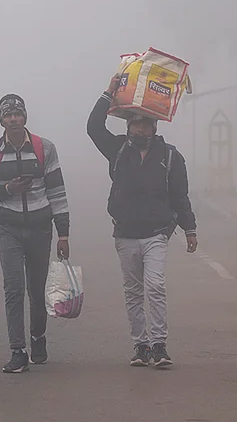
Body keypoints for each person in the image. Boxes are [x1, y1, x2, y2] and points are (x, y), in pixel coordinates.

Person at [87, 74, 198, 368]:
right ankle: (141, 345)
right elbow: (93, 128)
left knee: (156, 286)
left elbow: (180, 195)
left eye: (145, 124)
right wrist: (108, 92)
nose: (139, 128)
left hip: (156, 234)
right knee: (133, 291)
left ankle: (159, 344)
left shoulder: (171, 157)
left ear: (154, 127)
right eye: (135, 123)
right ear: (128, 126)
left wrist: (190, 228)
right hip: (124, 234)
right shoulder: (118, 149)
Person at [0, 94, 71, 373]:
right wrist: (7, 190)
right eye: (8, 115)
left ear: (25, 117)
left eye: (18, 114)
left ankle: (38, 338)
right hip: (9, 229)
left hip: (41, 228)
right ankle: (17, 350)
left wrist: (63, 234)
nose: (14, 119)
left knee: (37, 289)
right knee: (13, 289)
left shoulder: (45, 148)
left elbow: (57, 192)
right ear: (2, 121)